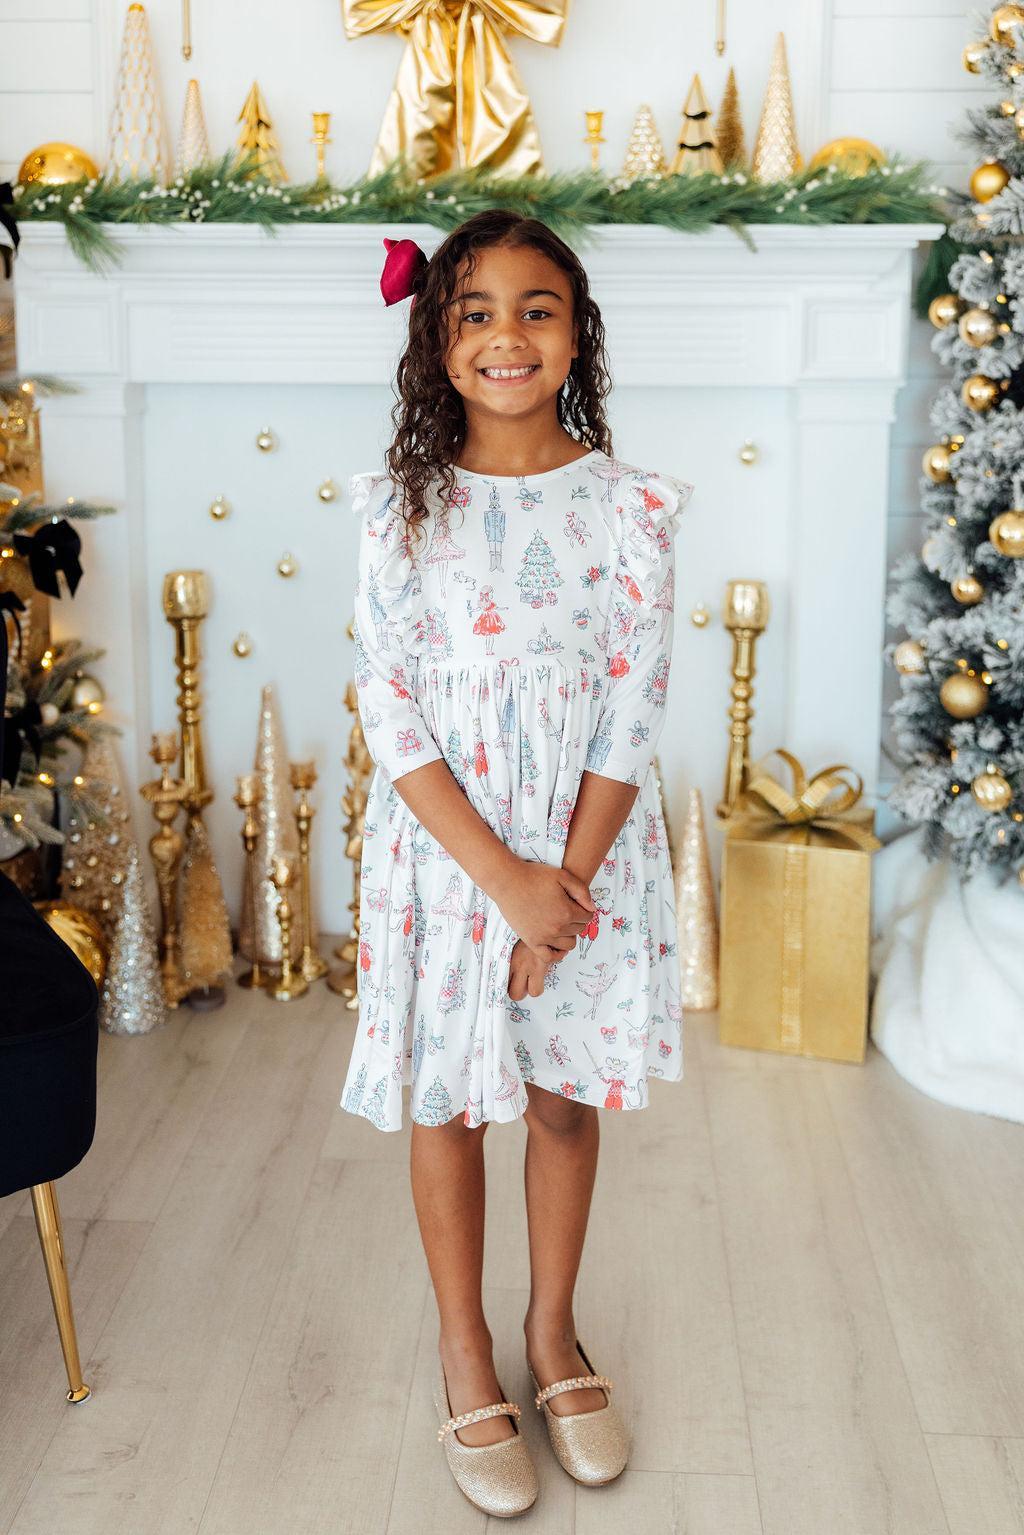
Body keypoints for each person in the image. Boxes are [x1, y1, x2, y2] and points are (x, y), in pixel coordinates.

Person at [341, 209, 694, 1516]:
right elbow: (388, 705)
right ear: (439, 344)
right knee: (449, 1103)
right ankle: (464, 1348)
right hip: (451, 861)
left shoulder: (635, 507)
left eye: (537, 310)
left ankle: (553, 1331)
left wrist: (563, 895)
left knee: (558, 1100)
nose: (507, 336)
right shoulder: (400, 511)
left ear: (577, 333)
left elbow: (632, 706)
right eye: (475, 312)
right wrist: (503, 882)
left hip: (585, 863)